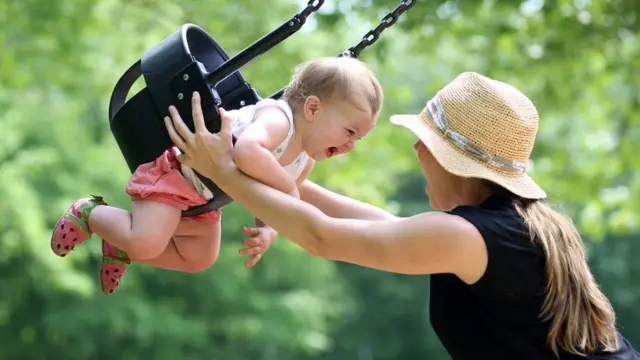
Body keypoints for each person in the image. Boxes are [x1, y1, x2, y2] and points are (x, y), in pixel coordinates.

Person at [164, 72, 640, 359]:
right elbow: (375, 223)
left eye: (426, 142)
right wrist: (272, 165)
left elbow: (323, 238)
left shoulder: (472, 236)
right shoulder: (505, 226)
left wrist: (224, 172)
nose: (416, 150)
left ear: (452, 159)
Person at [50, 56, 383, 295]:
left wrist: (268, 230)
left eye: (358, 139)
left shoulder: (304, 160)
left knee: (198, 258)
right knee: (148, 241)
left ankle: (119, 241)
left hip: (206, 197)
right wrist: (287, 190)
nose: (349, 145)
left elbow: (275, 199)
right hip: (179, 174)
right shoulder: (278, 119)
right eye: (349, 131)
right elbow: (248, 152)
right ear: (312, 109)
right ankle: (90, 213)